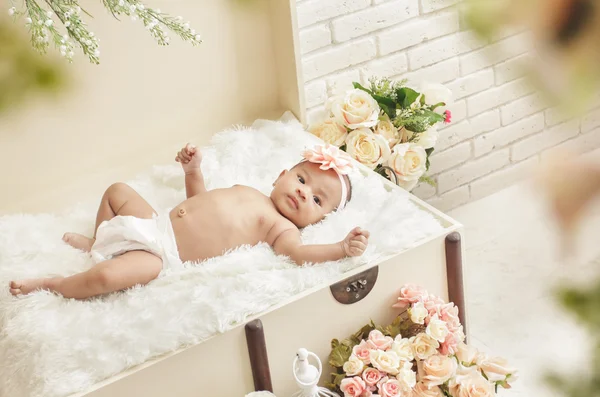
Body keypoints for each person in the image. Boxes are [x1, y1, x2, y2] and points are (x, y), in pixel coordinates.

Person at [9, 143, 370, 299]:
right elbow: (196, 203)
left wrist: (340, 248)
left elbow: (298, 255)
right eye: (302, 180)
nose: (304, 193)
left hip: (164, 255)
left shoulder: (282, 227)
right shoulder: (247, 189)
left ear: (320, 218)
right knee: (116, 190)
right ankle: (98, 242)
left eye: (317, 200)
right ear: (280, 176)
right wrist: (193, 170)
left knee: (105, 277)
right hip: (156, 226)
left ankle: (54, 284)